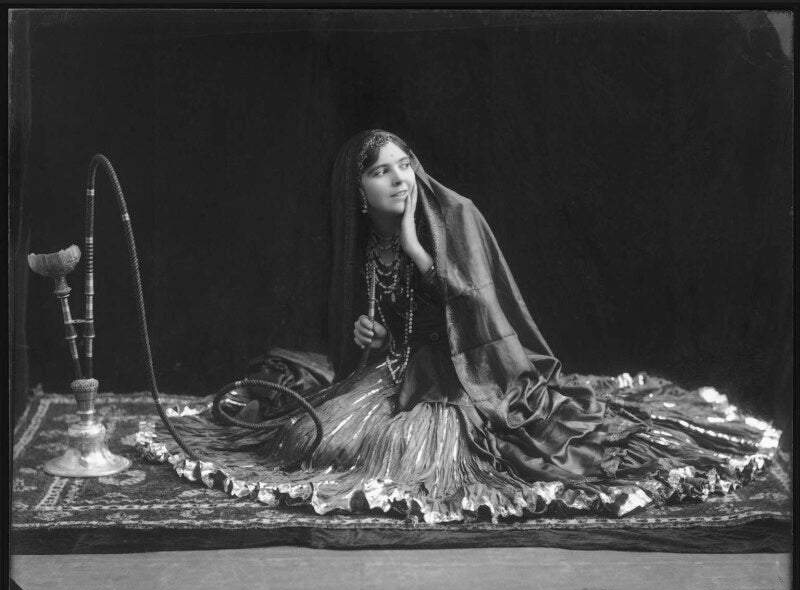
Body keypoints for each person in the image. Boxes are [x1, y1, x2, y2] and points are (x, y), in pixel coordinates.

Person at [138, 129, 778, 523]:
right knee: (319, 444)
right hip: (407, 372)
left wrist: (419, 250)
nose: (399, 179)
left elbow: (478, 312)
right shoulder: (369, 246)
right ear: (358, 191)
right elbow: (406, 326)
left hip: (472, 379)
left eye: (403, 164)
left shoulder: (454, 217)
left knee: (420, 462)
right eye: (381, 170)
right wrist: (378, 339)